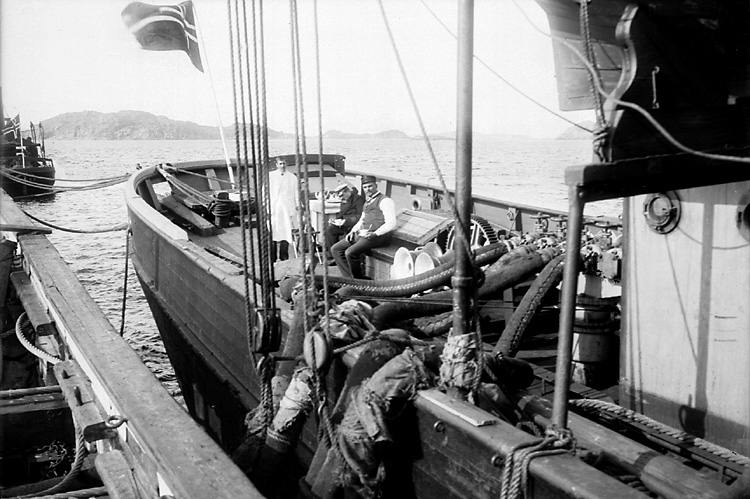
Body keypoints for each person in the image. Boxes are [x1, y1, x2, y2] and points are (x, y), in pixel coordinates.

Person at [331, 175, 396, 278]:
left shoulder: (385, 201)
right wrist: (353, 231)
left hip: (378, 236)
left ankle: (359, 280)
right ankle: (349, 278)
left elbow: (391, 223)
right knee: (336, 249)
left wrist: (375, 234)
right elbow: (362, 219)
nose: (367, 189)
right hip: (364, 233)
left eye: (370, 186)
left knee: (350, 253)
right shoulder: (368, 201)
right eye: (365, 187)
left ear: (376, 186)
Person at [323, 183, 364, 264]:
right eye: (340, 196)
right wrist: (335, 220)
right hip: (344, 224)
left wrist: (345, 221)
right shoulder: (344, 200)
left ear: (347, 191)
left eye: (342, 195)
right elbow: (341, 213)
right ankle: (333, 256)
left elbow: (360, 216)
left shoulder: (358, 199)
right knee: (330, 230)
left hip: (354, 225)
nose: (341, 198)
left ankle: (341, 256)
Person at [269, 157, 299, 261]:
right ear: (276, 165)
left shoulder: (292, 177)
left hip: (287, 209)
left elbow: (296, 192)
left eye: (284, 163)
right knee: (273, 233)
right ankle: (272, 259)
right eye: (280, 164)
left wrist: (297, 204)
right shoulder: (271, 176)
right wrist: (265, 206)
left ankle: (284, 257)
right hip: (274, 209)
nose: (282, 166)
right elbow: (265, 191)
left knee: (286, 233)